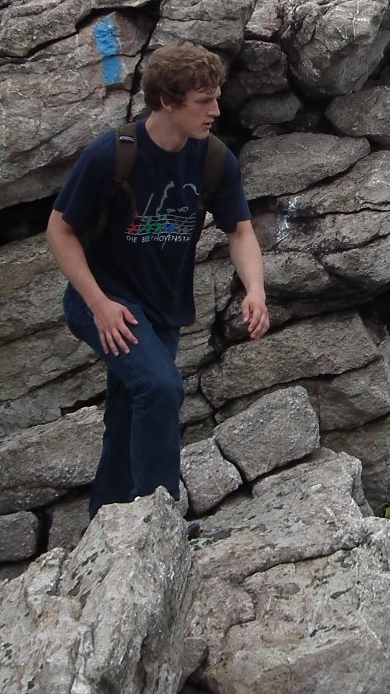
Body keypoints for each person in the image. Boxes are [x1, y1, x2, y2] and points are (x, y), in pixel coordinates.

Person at [45, 43, 269, 528]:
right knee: (161, 387)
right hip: (103, 302)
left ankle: (108, 523)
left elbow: (240, 231)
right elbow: (59, 231)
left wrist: (255, 289)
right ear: (167, 101)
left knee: (131, 408)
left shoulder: (213, 159)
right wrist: (99, 304)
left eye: (217, 98)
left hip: (163, 308)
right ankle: (158, 520)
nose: (216, 111)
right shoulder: (110, 155)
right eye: (203, 101)